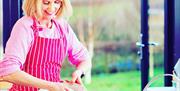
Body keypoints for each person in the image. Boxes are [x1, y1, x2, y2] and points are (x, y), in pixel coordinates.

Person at [0, 0, 91, 91]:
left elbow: (84, 58)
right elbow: (9, 71)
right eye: (46, 2)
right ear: (34, 2)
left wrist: (79, 72)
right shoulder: (25, 26)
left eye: (56, 2)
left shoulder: (62, 26)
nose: (52, 8)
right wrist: (52, 86)